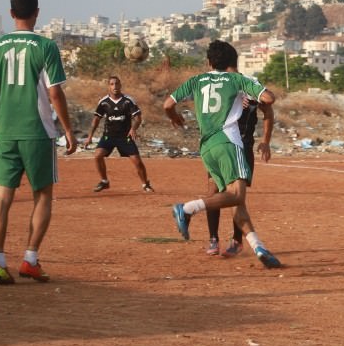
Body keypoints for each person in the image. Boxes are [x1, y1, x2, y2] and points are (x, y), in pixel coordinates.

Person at [0, 0, 77, 284]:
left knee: (2, 196)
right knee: (42, 195)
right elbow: (55, 93)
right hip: (38, 133)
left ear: (11, 13)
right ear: (37, 13)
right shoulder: (46, 47)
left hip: (5, 133)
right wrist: (68, 130)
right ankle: (30, 259)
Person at [164, 40, 282, 268]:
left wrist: (174, 117)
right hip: (230, 143)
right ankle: (187, 209)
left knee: (236, 200)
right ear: (233, 61)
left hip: (207, 147)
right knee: (236, 196)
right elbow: (269, 99)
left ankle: (258, 247)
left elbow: (167, 104)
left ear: (209, 62)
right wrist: (252, 88)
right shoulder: (238, 80)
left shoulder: (197, 80)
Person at [205, 64, 274, 258]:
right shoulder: (214, 85)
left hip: (242, 147)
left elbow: (268, 111)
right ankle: (213, 238)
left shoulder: (251, 84)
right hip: (219, 146)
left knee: (236, 196)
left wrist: (265, 141)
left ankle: (237, 240)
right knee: (213, 191)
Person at [83, 75, 154, 192]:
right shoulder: (104, 102)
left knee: (137, 162)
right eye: (112, 84)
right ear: (108, 86)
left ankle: (145, 184)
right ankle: (104, 181)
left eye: (117, 84)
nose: (115, 86)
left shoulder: (128, 101)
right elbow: (96, 119)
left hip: (125, 137)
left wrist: (133, 129)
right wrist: (90, 136)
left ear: (120, 85)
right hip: (109, 136)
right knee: (97, 156)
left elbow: (138, 118)